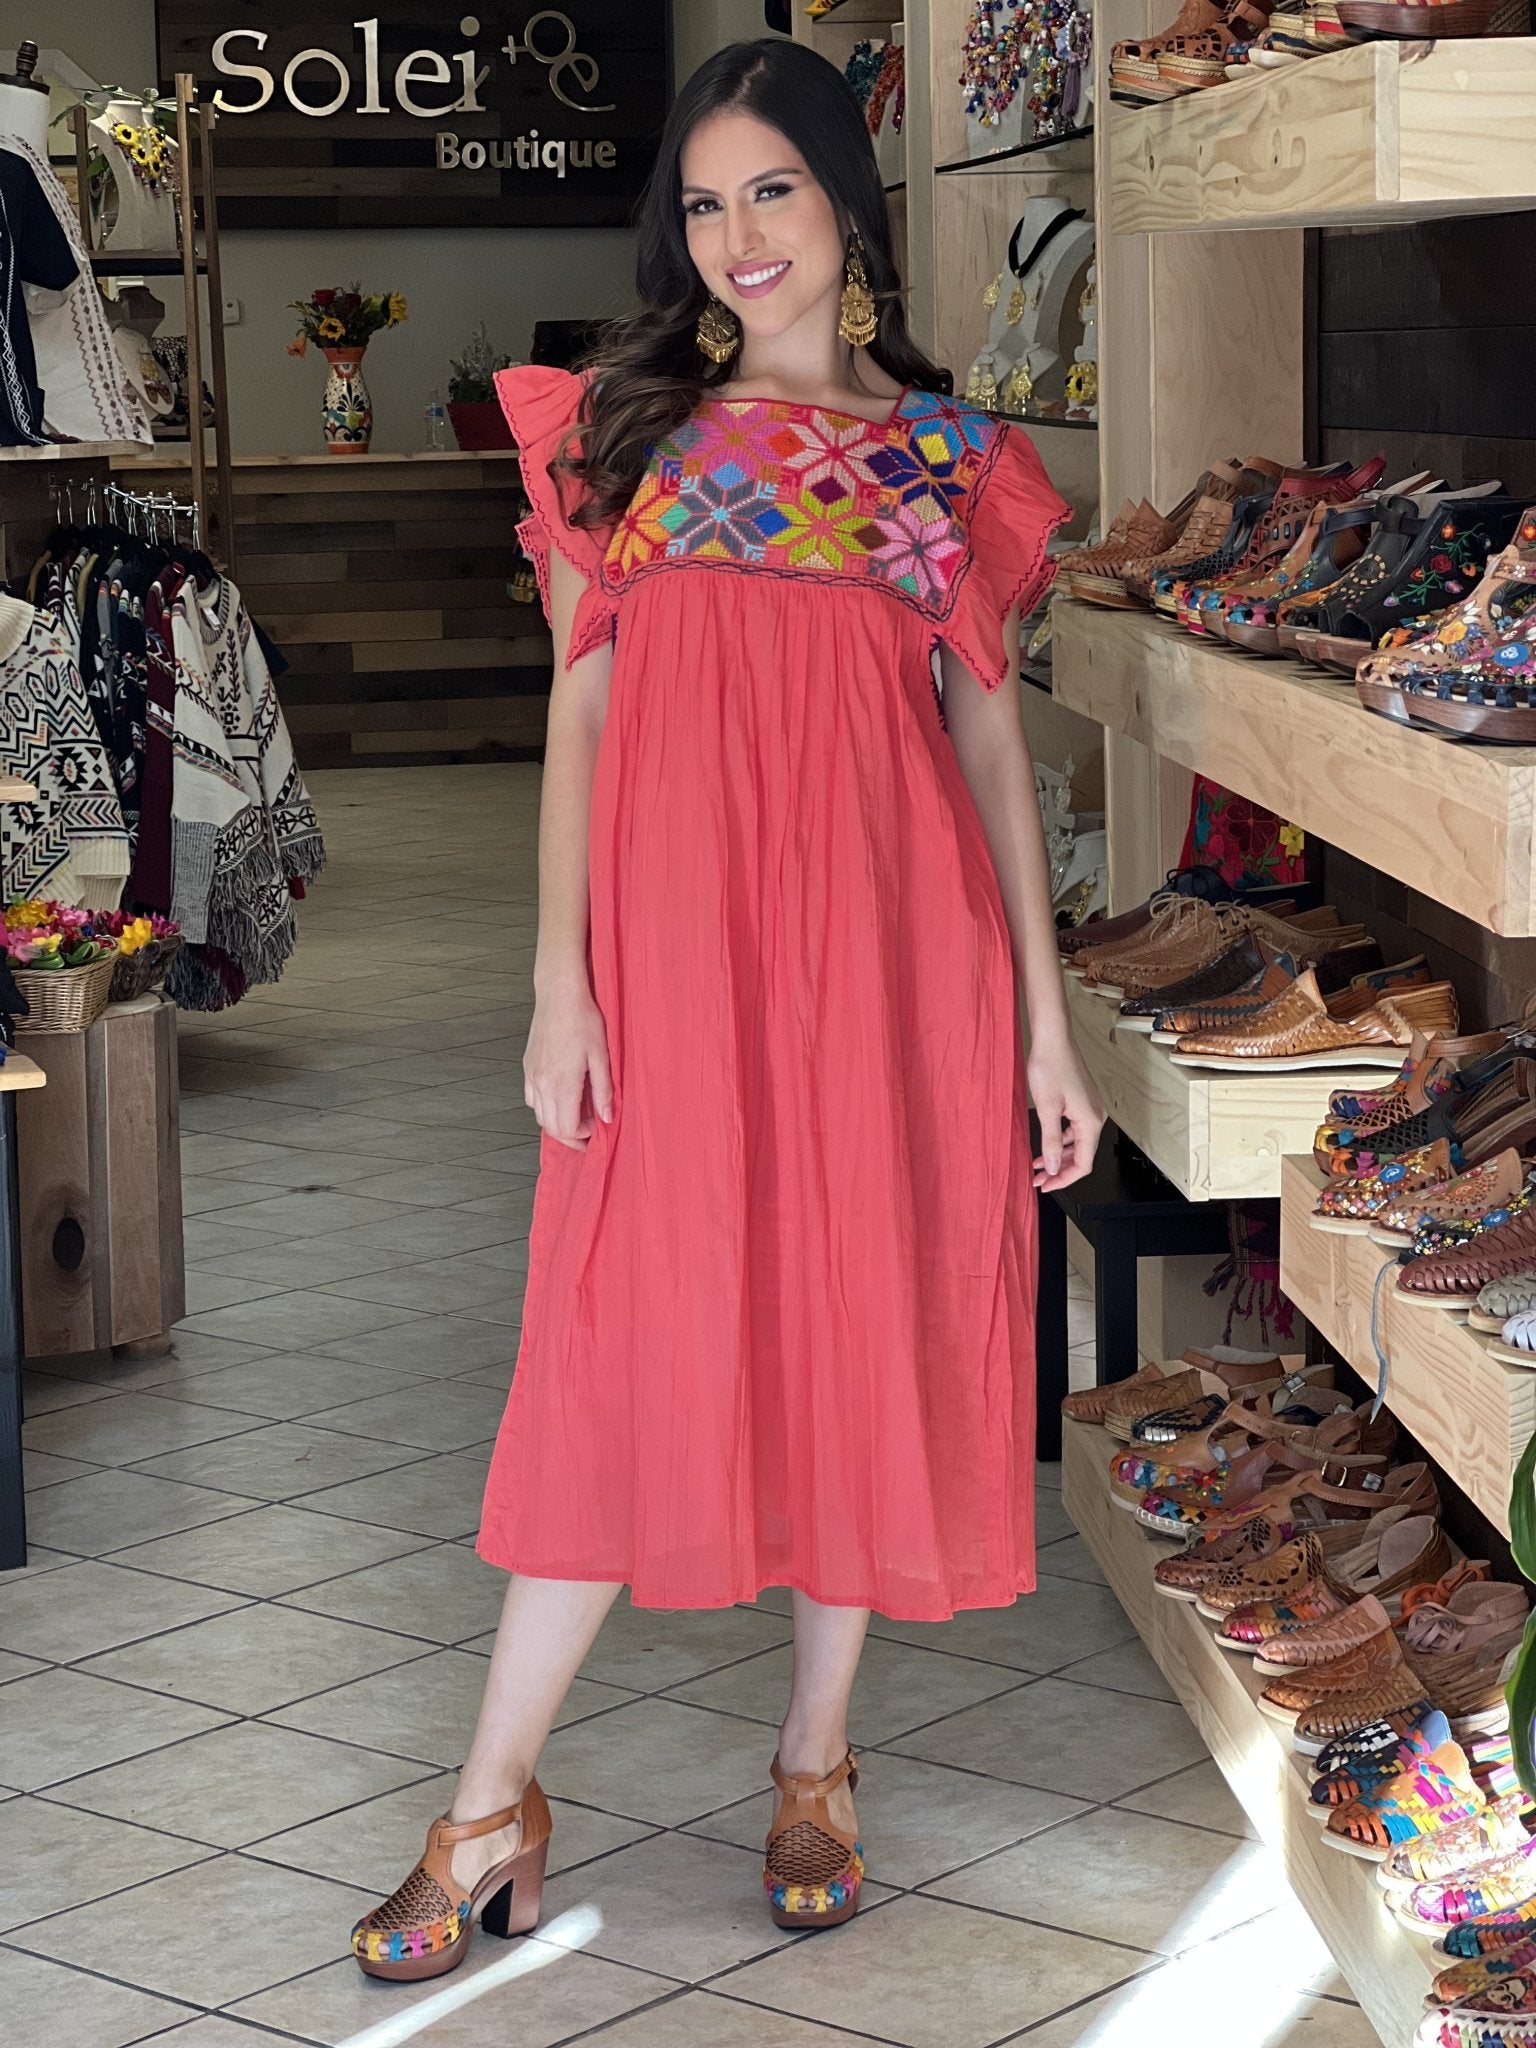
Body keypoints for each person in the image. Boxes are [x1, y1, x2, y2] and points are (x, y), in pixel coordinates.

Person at [350, 36, 1105, 1983]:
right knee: (608, 1349)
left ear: (847, 199)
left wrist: (1039, 1023)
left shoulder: (942, 463)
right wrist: (555, 974)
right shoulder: (629, 431)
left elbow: (992, 751)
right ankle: (491, 1797)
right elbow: (585, 700)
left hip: (890, 967)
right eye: (704, 198)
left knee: (849, 1335)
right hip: (669, 975)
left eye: (770, 187)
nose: (737, 232)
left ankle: (817, 1757)